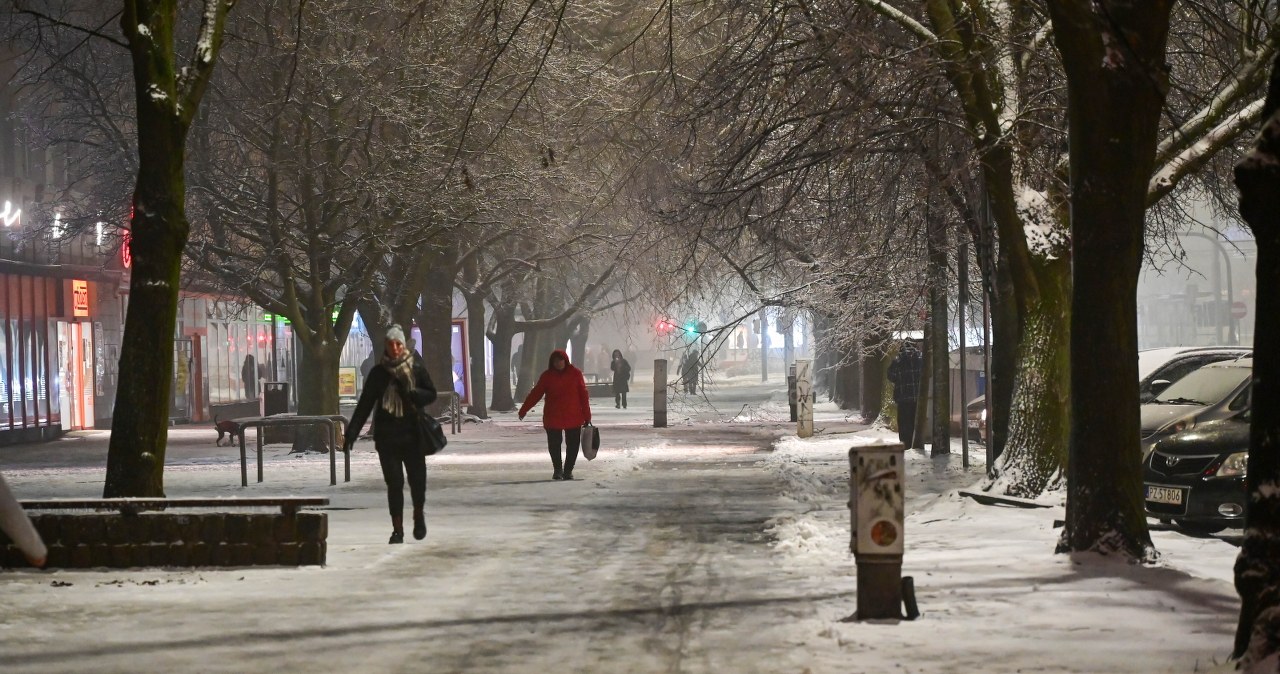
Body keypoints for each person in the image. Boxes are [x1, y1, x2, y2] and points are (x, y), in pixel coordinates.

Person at [344, 325, 438, 544]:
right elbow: (365, 405)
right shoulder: (378, 373)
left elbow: (431, 393)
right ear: (386, 346)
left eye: (398, 344)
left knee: (417, 481)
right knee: (394, 484)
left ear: (403, 345)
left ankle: (418, 514)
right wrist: (352, 433)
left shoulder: (415, 368)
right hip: (387, 438)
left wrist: (414, 394)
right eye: (390, 344)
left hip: (413, 434)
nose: (394, 348)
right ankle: (397, 529)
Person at [518, 349, 592, 481]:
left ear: (565, 360)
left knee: (573, 445)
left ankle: (568, 470)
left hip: (573, 415)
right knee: (554, 445)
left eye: (560, 360)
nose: (558, 363)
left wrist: (587, 416)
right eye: (555, 361)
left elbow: (583, 395)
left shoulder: (575, 374)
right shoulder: (547, 376)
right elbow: (536, 394)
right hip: (553, 415)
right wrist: (524, 409)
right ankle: (558, 469)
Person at [887, 340, 923, 449]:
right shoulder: (921, 360)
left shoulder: (898, 361)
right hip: (917, 398)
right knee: (915, 423)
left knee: (904, 424)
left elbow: (891, 376)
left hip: (903, 399)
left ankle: (905, 445)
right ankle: (915, 444)